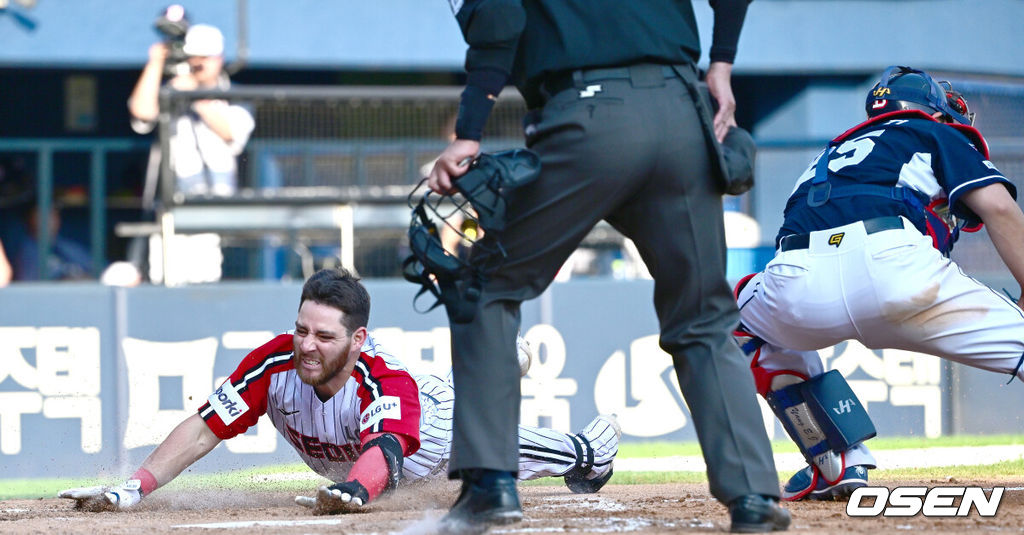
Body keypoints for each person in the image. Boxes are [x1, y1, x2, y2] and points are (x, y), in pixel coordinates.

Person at [428, 1, 789, 533]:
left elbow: (497, 25)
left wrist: (469, 132)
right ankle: (754, 498)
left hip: (588, 117)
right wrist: (723, 63)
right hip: (682, 114)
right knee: (705, 321)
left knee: (481, 286)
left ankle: (488, 484)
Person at [58, 268, 621, 514]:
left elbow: (388, 453)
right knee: (457, 383)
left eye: (323, 336)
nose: (306, 345)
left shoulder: (382, 377)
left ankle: (595, 446)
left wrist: (356, 489)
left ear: (357, 339)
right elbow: (207, 426)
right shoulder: (277, 360)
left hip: (430, 436)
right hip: (392, 423)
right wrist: (134, 488)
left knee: (494, 436)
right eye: (301, 329)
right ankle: (500, 364)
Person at [734, 65, 1024, 501]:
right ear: (931, 110)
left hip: (797, 282)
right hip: (897, 267)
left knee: (732, 320)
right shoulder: (931, 131)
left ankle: (834, 458)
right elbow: (998, 209)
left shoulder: (829, 153)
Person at [128, 23, 254, 197]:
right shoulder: (174, 90)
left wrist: (195, 97)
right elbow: (142, 112)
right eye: (194, 57)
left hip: (222, 195)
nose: (199, 63)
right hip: (177, 195)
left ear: (219, 58)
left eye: (205, 57)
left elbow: (231, 134)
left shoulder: (236, 95)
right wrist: (155, 63)